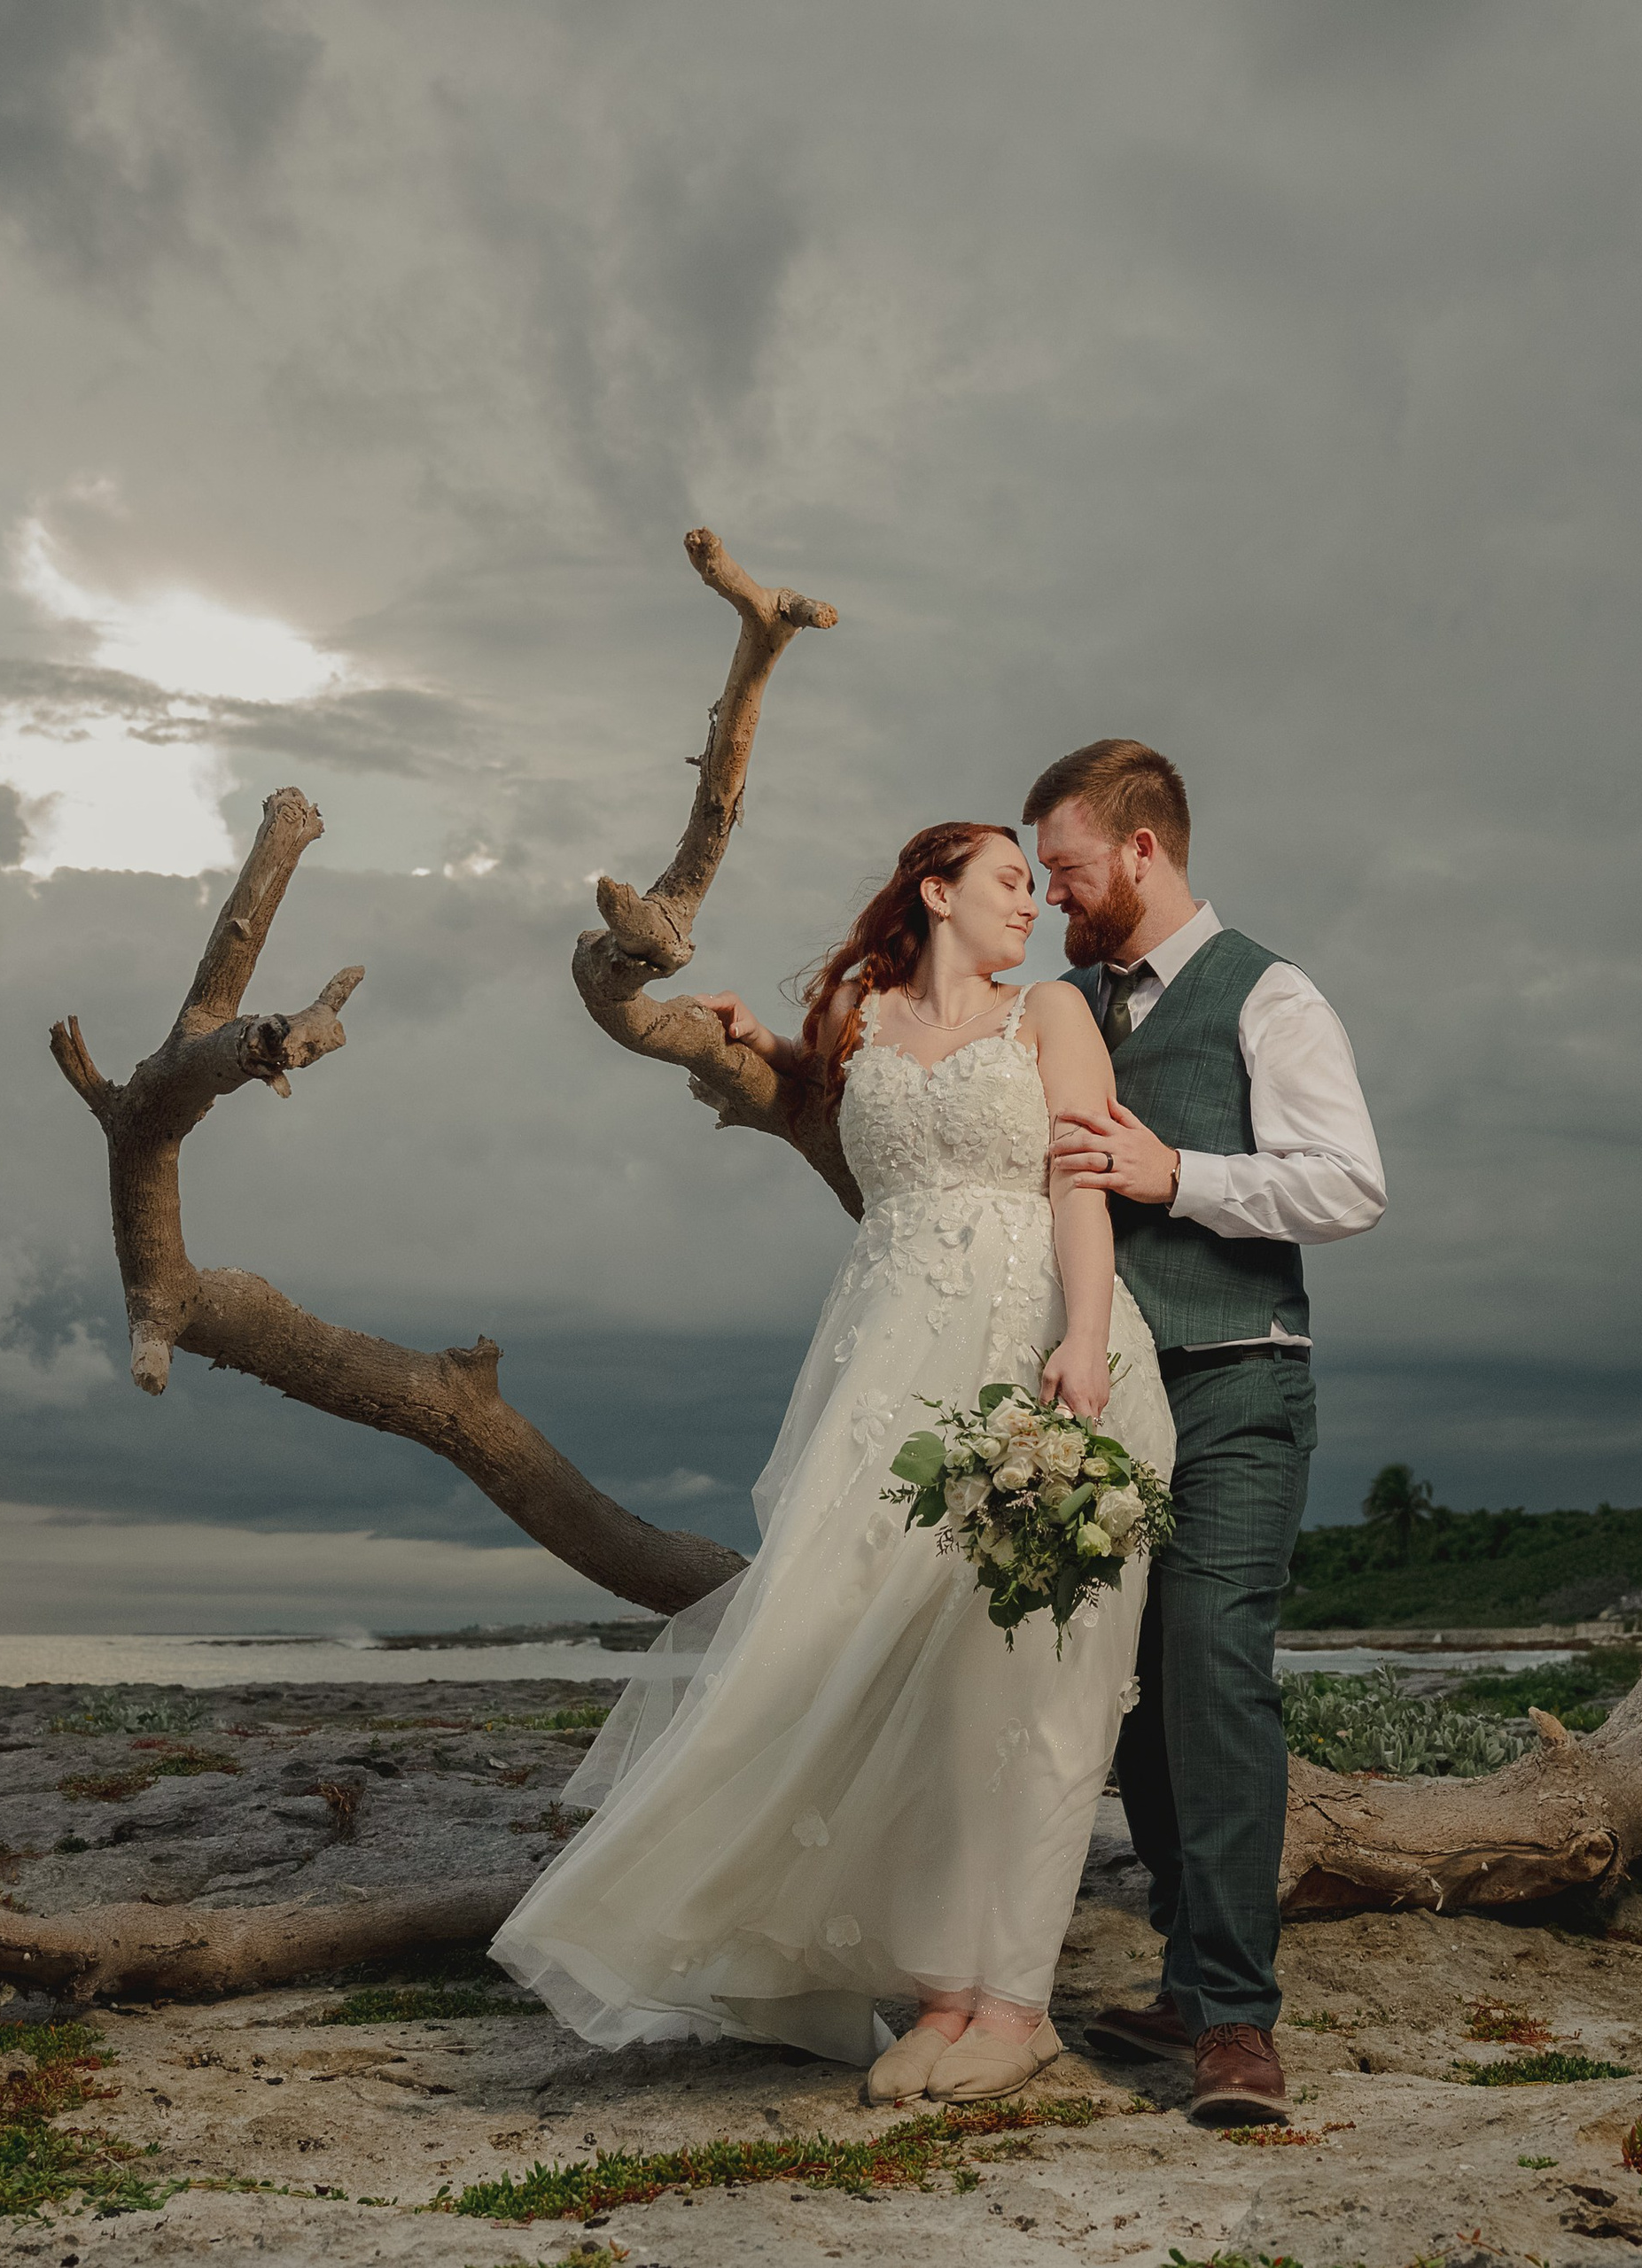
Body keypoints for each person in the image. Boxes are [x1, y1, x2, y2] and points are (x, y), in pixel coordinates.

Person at [490, 822, 1175, 2110]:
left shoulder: (1055, 1015)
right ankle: (941, 1992)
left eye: (1038, 882)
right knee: (896, 1683)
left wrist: (1083, 1342)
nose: (1032, 901)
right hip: (891, 1371)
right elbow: (860, 1109)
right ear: (937, 892)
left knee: (1029, 1691)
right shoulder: (864, 1017)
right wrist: (767, 1045)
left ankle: (1013, 2006)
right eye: (1009, 881)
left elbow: (1081, 1184)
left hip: (1038, 1351)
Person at [1025, 740, 1385, 2128]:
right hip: (1106, 1395)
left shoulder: (1272, 995)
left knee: (1217, 1668)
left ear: (1143, 851)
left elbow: (1349, 1184)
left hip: (1239, 1378)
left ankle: (1236, 2023)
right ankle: (1184, 1970)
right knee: (1134, 1686)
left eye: (1066, 868)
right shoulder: (1062, 1004)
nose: (1055, 894)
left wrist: (1176, 1175)